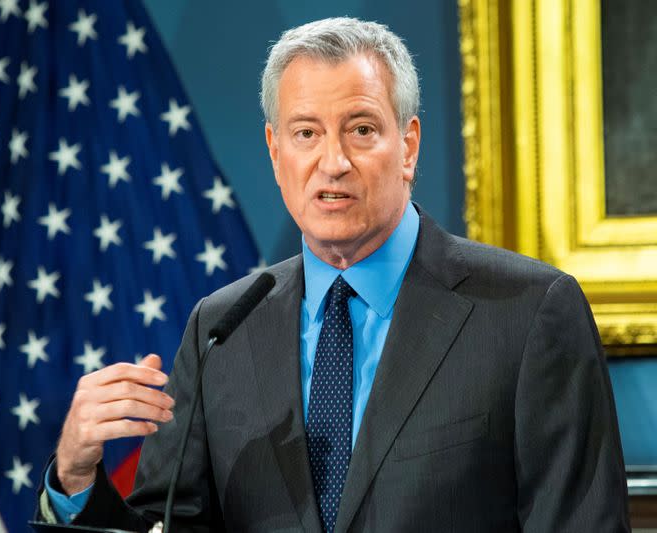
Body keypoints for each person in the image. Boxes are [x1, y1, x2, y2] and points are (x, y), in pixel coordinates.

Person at [35, 17, 630, 532]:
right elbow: (170, 525)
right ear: (275, 152)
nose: (334, 161)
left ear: (409, 145)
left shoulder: (528, 313)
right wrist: (76, 473)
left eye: (362, 129)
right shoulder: (221, 329)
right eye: (306, 133)